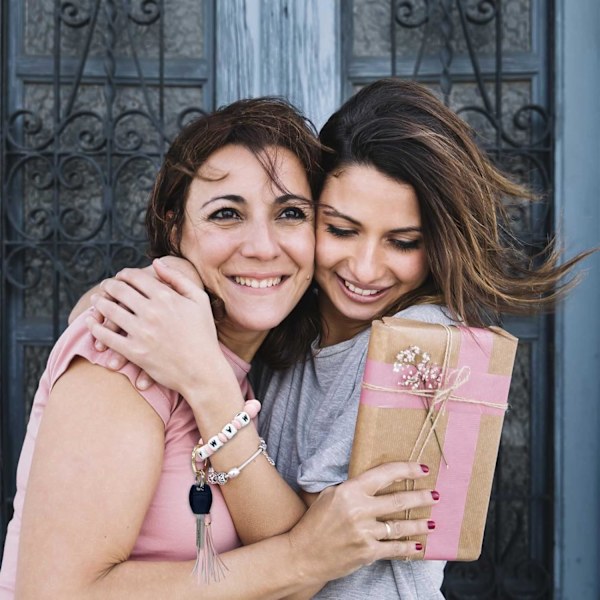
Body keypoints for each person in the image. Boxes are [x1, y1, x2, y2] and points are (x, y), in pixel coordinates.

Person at [66, 80, 589, 599]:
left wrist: (208, 385)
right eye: (340, 230)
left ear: (438, 247)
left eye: (403, 242)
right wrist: (124, 298)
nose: (364, 269)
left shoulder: (429, 352)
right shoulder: (291, 321)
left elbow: (307, 565)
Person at [0, 96, 438, 599]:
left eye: (291, 213)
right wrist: (299, 558)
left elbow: (296, 562)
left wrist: (207, 379)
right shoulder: (124, 354)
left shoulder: (260, 369)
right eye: (227, 213)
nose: (261, 246)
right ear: (174, 228)